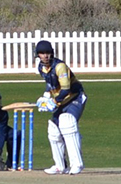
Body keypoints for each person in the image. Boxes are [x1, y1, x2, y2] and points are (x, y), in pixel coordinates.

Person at [35, 40, 87, 175]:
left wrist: (54, 101)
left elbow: (66, 89)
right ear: (38, 55)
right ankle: (60, 166)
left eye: (47, 53)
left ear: (52, 53)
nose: (45, 56)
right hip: (62, 101)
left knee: (67, 122)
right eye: (42, 53)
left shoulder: (60, 67)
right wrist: (45, 97)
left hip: (75, 97)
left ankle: (77, 164)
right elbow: (50, 85)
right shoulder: (41, 68)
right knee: (53, 130)